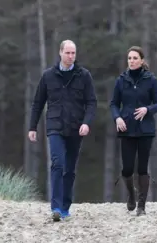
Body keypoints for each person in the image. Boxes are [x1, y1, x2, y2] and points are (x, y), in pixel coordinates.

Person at [28, 40, 97, 222]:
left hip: (76, 127)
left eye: (73, 53)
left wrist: (87, 123)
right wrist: (32, 126)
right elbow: (38, 103)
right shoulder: (48, 76)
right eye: (67, 53)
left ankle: (65, 206)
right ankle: (56, 207)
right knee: (57, 163)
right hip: (55, 126)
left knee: (70, 169)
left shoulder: (84, 76)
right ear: (60, 53)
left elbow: (91, 102)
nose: (71, 56)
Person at [109, 46, 157, 216]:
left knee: (142, 168)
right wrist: (117, 118)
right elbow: (113, 104)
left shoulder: (151, 80)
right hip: (126, 128)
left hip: (145, 129)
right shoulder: (121, 80)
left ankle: (142, 205)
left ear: (142, 60)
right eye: (129, 58)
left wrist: (147, 109)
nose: (131, 61)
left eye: (135, 58)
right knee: (127, 168)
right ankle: (131, 195)